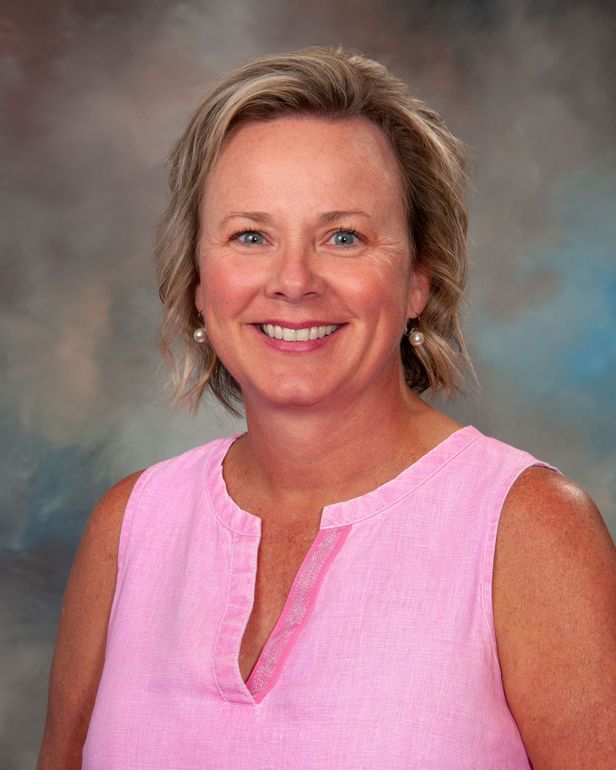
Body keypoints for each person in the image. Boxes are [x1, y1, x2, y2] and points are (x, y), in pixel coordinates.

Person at [37, 46, 616, 769]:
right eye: (251, 235)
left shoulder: (530, 532)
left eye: (343, 236)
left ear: (417, 281)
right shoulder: (128, 529)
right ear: (197, 282)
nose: (294, 280)